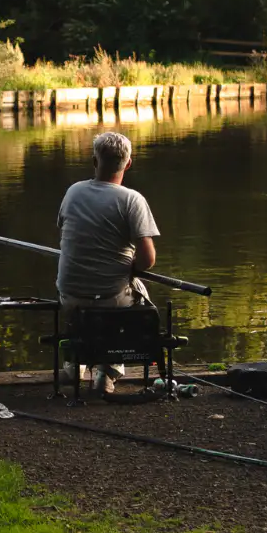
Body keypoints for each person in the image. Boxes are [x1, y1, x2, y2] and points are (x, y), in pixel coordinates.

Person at [56, 131, 159, 394]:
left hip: (70, 297)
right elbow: (148, 260)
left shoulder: (73, 192)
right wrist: (130, 268)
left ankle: (74, 362)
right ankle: (108, 372)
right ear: (128, 163)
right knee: (140, 298)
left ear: (94, 161)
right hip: (112, 302)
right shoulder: (132, 200)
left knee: (86, 294)